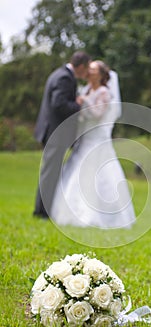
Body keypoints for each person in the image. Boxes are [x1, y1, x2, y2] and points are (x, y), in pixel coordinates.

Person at [50, 60, 136, 229]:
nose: (89, 70)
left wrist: (83, 102)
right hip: (85, 137)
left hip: (97, 138)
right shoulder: (86, 89)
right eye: (89, 68)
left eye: (93, 68)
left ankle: (97, 215)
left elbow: (98, 113)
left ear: (102, 74)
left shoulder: (104, 92)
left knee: (99, 173)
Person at [33, 51, 91, 218]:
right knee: (50, 173)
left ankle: (43, 209)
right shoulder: (65, 78)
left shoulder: (59, 73)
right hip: (55, 133)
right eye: (86, 69)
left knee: (50, 172)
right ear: (80, 66)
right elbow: (59, 104)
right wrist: (78, 106)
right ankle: (42, 212)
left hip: (51, 131)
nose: (86, 73)